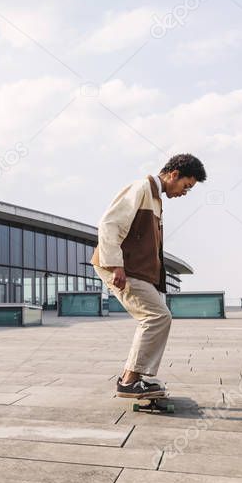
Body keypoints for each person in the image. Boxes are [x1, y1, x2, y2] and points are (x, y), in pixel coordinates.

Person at [91, 154, 206, 398]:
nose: (185, 192)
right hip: (122, 267)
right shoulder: (142, 188)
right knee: (157, 316)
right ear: (174, 175)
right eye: (186, 186)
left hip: (133, 269)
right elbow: (109, 224)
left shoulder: (155, 199)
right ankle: (129, 381)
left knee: (156, 316)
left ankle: (132, 378)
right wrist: (115, 265)